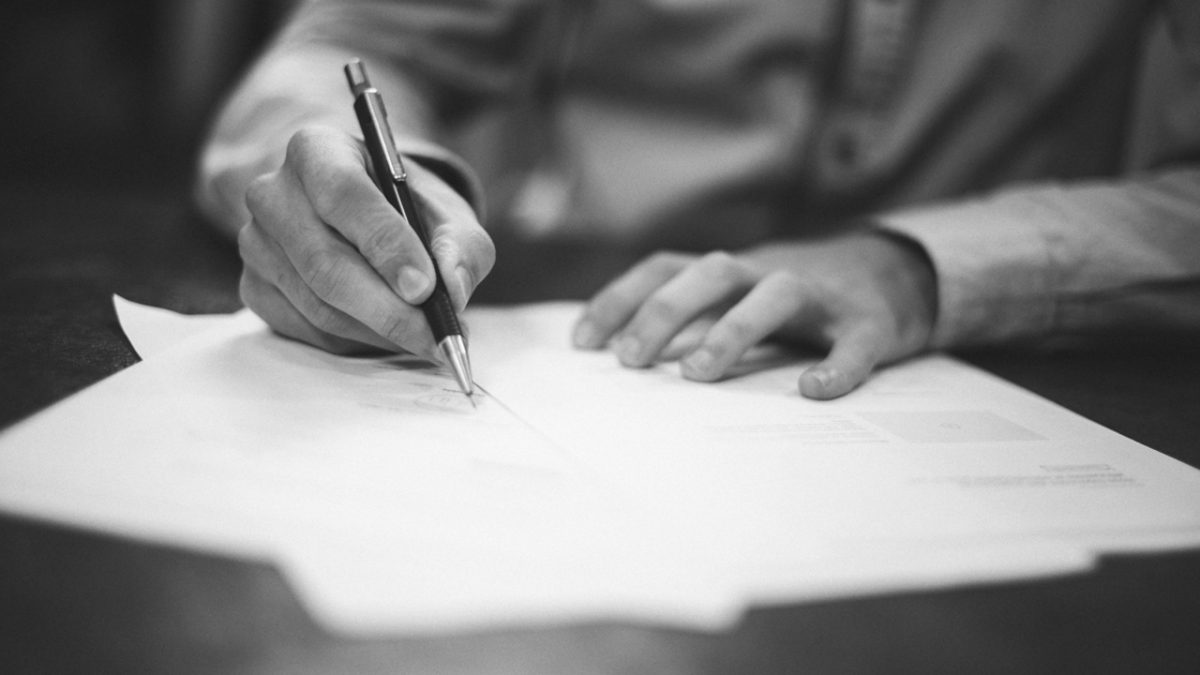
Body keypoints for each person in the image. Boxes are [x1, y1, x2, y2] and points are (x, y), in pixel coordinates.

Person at [195, 0, 1200, 399]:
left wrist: (918, 265)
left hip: (1000, 370)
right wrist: (387, 184)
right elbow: (345, 49)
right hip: (597, 330)